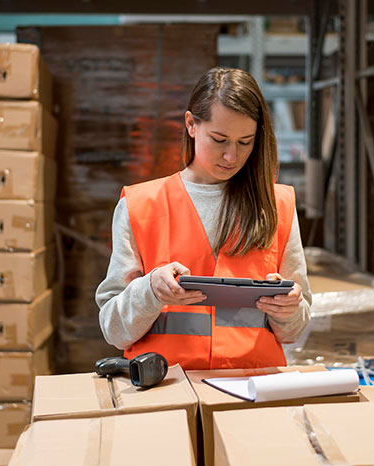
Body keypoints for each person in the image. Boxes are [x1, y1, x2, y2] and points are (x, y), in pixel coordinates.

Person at [96, 67, 311, 370]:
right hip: (166, 395)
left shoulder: (278, 206)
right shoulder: (140, 205)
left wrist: (288, 309)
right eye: (219, 139)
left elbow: (294, 331)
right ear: (191, 125)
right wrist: (150, 292)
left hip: (253, 398)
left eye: (245, 142)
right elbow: (114, 331)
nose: (231, 157)